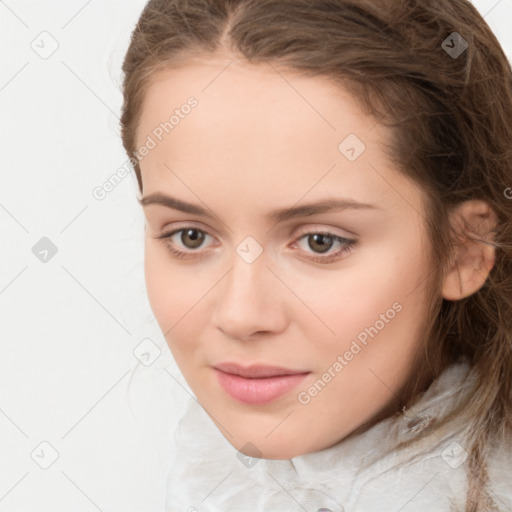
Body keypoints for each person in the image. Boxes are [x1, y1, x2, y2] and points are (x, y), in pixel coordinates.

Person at [119, 0, 512, 510]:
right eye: (190, 236)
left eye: (319, 242)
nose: (240, 315)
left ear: (464, 251)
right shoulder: (213, 480)